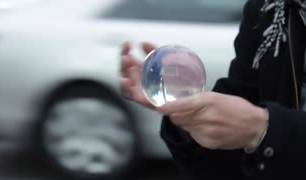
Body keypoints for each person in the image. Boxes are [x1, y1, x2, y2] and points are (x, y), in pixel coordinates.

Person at [119, 0, 306, 179]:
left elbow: (255, 126)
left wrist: (264, 130)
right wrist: (189, 113)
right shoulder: (268, 11)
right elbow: (231, 164)